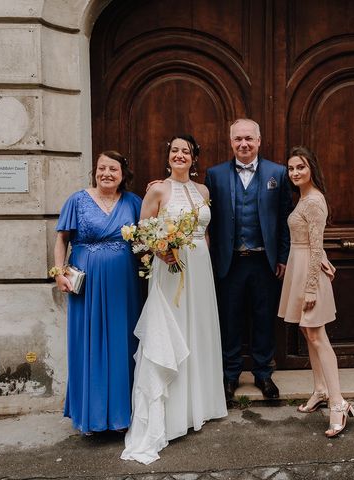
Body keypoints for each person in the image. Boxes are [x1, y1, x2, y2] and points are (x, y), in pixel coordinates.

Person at [121, 135, 227, 464]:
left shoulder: (204, 191)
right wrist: (161, 251)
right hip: (170, 270)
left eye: (186, 151)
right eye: (174, 151)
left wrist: (203, 258)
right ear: (168, 157)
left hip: (199, 269)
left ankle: (199, 406)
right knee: (174, 330)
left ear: (194, 158)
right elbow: (140, 235)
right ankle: (172, 412)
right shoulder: (157, 190)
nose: (180, 155)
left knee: (198, 331)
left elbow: (205, 231)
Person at [52, 151, 142, 435]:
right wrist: (58, 273)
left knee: (122, 342)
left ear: (122, 174)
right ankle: (90, 417)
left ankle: (121, 416)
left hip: (123, 284)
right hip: (86, 284)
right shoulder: (77, 200)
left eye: (113, 169)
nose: (106, 174)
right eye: (101, 168)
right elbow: (61, 240)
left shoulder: (133, 202)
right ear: (95, 171)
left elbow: (146, 237)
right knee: (88, 342)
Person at [205, 119, 293, 399]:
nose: (243, 144)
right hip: (229, 262)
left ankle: (263, 374)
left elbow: (284, 220)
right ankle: (230, 376)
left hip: (264, 262)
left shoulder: (277, 173)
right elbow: (209, 220)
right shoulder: (215, 175)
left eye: (248, 139)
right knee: (230, 320)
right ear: (230, 142)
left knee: (264, 319)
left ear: (259, 141)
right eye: (238, 139)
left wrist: (283, 256)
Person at [278, 146, 354, 438]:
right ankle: (320, 389)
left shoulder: (314, 202)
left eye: (301, 167)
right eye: (291, 168)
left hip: (308, 274)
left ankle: (338, 403)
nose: (295, 173)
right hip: (300, 268)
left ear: (312, 169)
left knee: (317, 336)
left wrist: (311, 286)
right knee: (308, 332)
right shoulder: (303, 198)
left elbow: (315, 245)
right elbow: (314, 244)